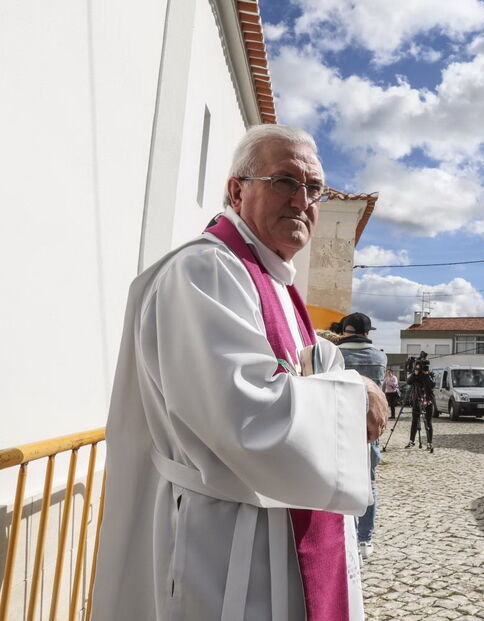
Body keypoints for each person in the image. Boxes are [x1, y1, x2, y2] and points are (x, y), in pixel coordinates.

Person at [92, 124, 388, 621]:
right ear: (237, 189)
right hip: (225, 539)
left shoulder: (275, 283)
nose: (303, 200)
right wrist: (353, 391)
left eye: (315, 189)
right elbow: (248, 413)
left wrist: (338, 379)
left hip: (275, 529)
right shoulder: (205, 272)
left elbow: (311, 362)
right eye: (285, 181)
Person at [336, 312, 387, 560]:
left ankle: (341, 536)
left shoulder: (334, 355)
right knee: (369, 484)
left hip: (336, 428)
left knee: (335, 483)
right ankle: (364, 540)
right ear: (367, 333)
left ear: (345, 331)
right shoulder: (380, 357)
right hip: (368, 431)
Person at [405, 360, 436, 452]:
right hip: (416, 401)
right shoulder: (415, 376)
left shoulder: (429, 375)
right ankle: (412, 441)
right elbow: (408, 382)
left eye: (420, 368)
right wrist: (415, 373)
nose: (418, 369)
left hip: (427, 401)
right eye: (417, 367)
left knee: (428, 422)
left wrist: (426, 375)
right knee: (414, 421)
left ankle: (429, 442)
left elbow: (432, 385)